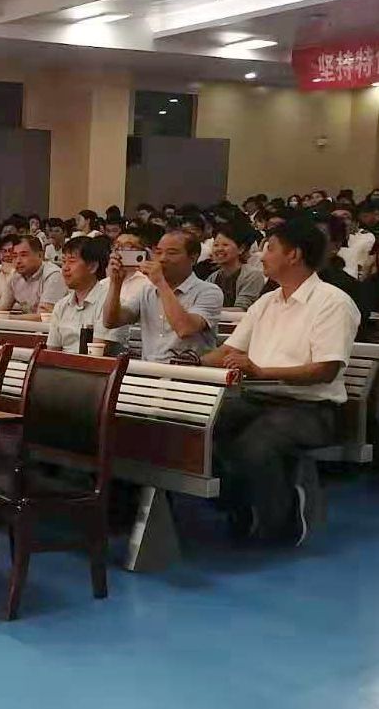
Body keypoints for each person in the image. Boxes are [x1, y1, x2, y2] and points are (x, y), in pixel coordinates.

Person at [200, 220, 360, 544]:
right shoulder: (266, 302)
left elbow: (325, 370)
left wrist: (261, 371)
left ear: (294, 255)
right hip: (258, 399)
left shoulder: (333, 303)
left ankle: (285, 518)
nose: (262, 256)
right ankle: (241, 506)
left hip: (313, 408)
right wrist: (191, 363)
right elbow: (229, 351)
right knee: (202, 425)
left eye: (270, 248)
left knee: (254, 443)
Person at [103, 228, 223, 363]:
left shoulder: (209, 291)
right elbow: (110, 322)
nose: (162, 258)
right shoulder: (147, 290)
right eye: (158, 252)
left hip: (188, 371)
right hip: (148, 369)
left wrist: (161, 283)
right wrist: (116, 283)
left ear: (193, 258)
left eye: (172, 253)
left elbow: (184, 329)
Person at [46, 236, 128, 354]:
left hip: (96, 364)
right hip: (62, 364)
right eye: (63, 261)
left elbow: (97, 353)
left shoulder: (110, 302)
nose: (65, 268)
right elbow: (52, 352)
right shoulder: (61, 305)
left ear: (92, 267)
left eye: (72, 261)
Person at [0, 236, 67, 319]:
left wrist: (7, 317)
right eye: (15, 256)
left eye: (23, 255)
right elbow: (2, 309)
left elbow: (43, 317)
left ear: (40, 255)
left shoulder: (54, 275)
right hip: (27, 326)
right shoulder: (15, 276)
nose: (18, 261)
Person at [205, 221, 265, 310]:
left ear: (241, 249)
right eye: (216, 245)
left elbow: (241, 309)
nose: (219, 249)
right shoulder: (213, 277)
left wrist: (208, 311)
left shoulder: (253, 275)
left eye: (225, 245)